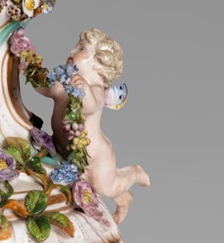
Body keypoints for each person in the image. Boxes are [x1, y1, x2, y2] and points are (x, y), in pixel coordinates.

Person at [34, 28, 150, 225]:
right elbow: (41, 87)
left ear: (99, 63)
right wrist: (30, 70)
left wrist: (82, 87)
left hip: (94, 158)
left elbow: (89, 106)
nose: (72, 51)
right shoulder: (62, 85)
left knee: (106, 188)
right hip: (64, 150)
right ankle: (121, 198)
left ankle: (134, 173)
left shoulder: (95, 91)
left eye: (81, 48)